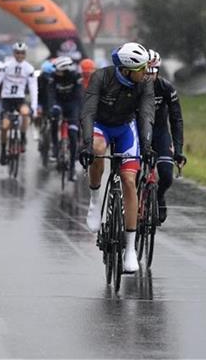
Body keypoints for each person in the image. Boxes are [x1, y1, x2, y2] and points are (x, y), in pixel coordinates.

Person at [79, 42, 155, 273]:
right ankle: (94, 200)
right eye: (142, 68)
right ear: (126, 69)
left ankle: (130, 250)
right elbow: (88, 111)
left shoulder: (144, 84)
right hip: (101, 126)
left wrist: (148, 146)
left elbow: (146, 116)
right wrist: (86, 144)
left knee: (129, 181)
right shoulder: (101, 77)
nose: (147, 72)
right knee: (99, 148)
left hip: (125, 128)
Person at [145, 49, 187, 223]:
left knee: (166, 176)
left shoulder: (166, 88)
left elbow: (176, 119)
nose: (148, 76)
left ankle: (159, 197)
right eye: (145, 72)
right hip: (139, 132)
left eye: (152, 72)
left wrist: (178, 149)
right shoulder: (133, 87)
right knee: (131, 174)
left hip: (160, 132)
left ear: (158, 71)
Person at [0, 42, 38, 166]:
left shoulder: (29, 68)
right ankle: (3, 150)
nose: (20, 55)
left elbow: (33, 87)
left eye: (22, 53)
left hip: (19, 99)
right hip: (6, 100)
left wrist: (34, 106)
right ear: (13, 53)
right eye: (17, 52)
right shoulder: (6, 66)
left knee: (25, 113)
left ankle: (22, 136)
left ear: (25, 54)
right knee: (5, 126)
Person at [48, 56, 82, 181]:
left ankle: (72, 167)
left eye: (58, 70)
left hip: (73, 105)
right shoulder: (53, 76)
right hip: (59, 102)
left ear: (65, 69)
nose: (56, 72)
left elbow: (79, 96)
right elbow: (50, 93)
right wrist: (51, 108)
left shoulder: (75, 76)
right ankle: (55, 146)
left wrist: (79, 115)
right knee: (54, 116)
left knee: (73, 134)